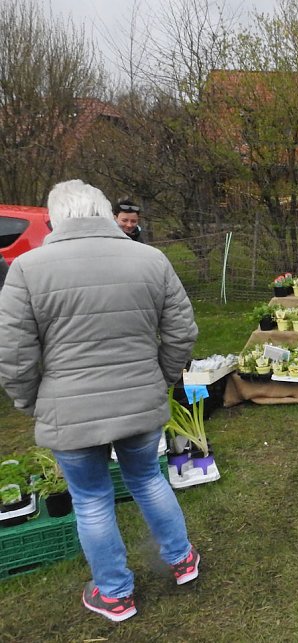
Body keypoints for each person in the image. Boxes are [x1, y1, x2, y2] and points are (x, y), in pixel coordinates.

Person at [0, 180, 199, 622]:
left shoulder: (28, 268)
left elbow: (14, 355)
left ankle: (114, 594)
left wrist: (30, 401)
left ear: (53, 219)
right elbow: (183, 332)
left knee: (91, 499)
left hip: (69, 412)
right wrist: (160, 379)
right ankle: (182, 561)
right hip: (140, 403)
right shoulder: (152, 259)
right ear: (106, 215)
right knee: (148, 479)